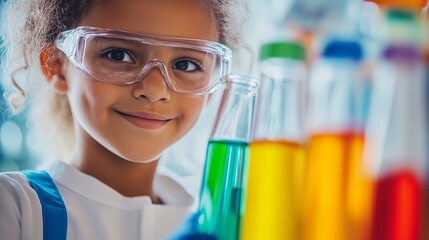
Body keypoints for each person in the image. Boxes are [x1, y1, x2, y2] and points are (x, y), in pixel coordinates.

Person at [0, 0, 247, 239]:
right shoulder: (15, 207)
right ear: (56, 66)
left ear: (212, 85)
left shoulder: (217, 222)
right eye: (118, 55)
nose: (154, 89)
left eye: (186, 65)